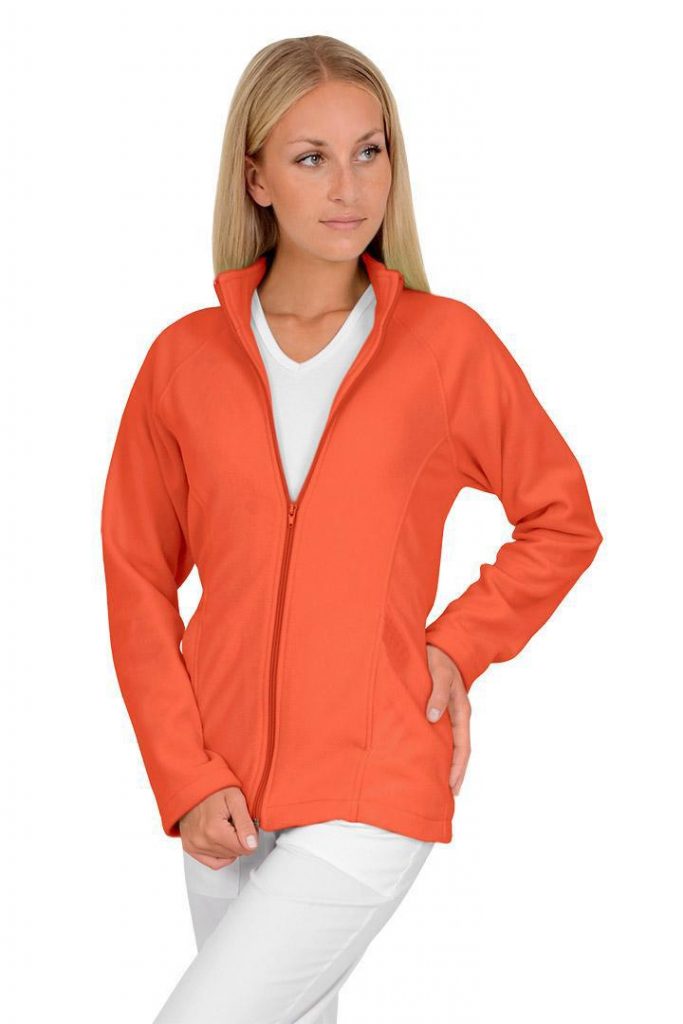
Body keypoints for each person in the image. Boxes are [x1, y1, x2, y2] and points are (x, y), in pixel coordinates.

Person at [100, 34, 603, 1024]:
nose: (348, 186)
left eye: (369, 152)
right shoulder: (182, 362)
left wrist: (455, 646)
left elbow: (561, 518)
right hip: (221, 795)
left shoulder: (444, 347)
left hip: (372, 776)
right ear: (255, 177)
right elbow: (136, 579)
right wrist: (183, 775)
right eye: (311, 157)